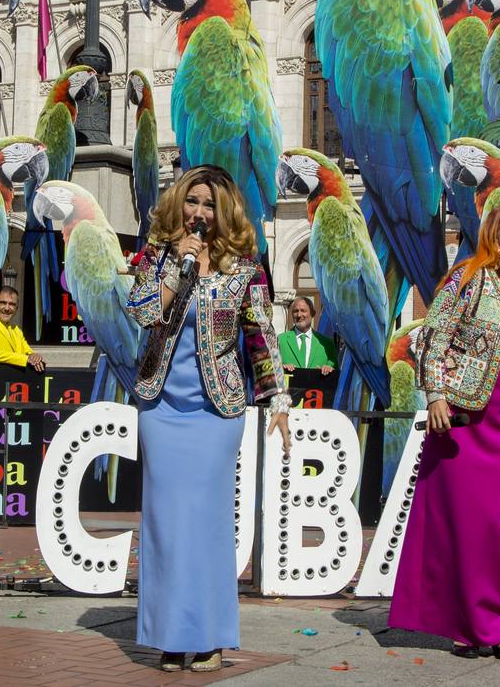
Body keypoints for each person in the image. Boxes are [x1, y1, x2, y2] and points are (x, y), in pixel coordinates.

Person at [126, 165, 292, 673]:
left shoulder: (246, 269)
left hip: (216, 412)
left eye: (209, 207)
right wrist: (177, 270)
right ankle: (173, 636)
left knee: (207, 525)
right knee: (167, 527)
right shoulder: (157, 256)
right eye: (193, 203)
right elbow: (141, 311)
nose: (199, 214)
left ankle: (212, 636)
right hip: (161, 408)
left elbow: (261, 334)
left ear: (224, 215)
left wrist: (278, 400)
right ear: (181, 205)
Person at [389, 201, 500, 661]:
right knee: (468, 527)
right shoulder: (468, 278)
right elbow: (434, 336)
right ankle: (482, 626)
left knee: (489, 526)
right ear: (497, 236)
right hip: (463, 421)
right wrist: (436, 395)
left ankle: (475, 623)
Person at [0, 286, 45, 372]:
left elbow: (28, 352)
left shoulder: (16, 330)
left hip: (15, 383)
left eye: (12, 304)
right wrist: (24, 359)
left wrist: (35, 357)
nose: (7, 308)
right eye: (3, 303)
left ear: (17, 308)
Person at [278, 297, 338, 376]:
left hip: (317, 388)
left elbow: (336, 374)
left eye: (303, 311)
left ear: (313, 313)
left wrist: (329, 369)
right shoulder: (280, 340)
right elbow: (271, 370)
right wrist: (281, 369)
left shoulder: (326, 344)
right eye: (295, 311)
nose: (299, 315)